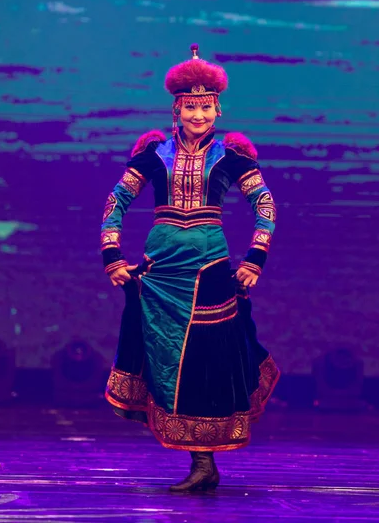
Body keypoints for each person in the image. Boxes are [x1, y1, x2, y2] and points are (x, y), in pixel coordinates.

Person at [101, 44, 280, 492]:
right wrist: (112, 254)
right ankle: (198, 462)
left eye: (205, 107)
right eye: (189, 107)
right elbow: (116, 201)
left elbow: (265, 204)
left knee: (206, 359)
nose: (198, 115)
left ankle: (204, 461)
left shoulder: (231, 156)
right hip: (161, 269)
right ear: (176, 109)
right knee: (164, 359)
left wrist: (255, 258)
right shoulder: (154, 155)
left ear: (217, 108)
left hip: (209, 267)